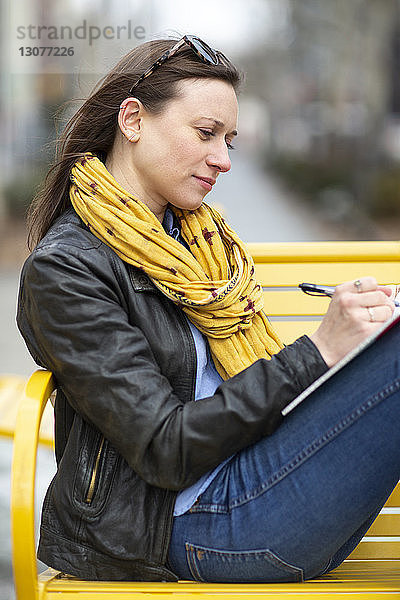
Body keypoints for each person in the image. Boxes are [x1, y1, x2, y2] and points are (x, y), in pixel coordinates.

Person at [17, 35, 400, 584]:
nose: (222, 159)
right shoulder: (67, 271)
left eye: (229, 141)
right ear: (133, 120)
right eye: (205, 133)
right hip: (195, 526)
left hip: (262, 479)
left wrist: (360, 337)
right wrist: (318, 350)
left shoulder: (195, 249)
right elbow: (165, 447)